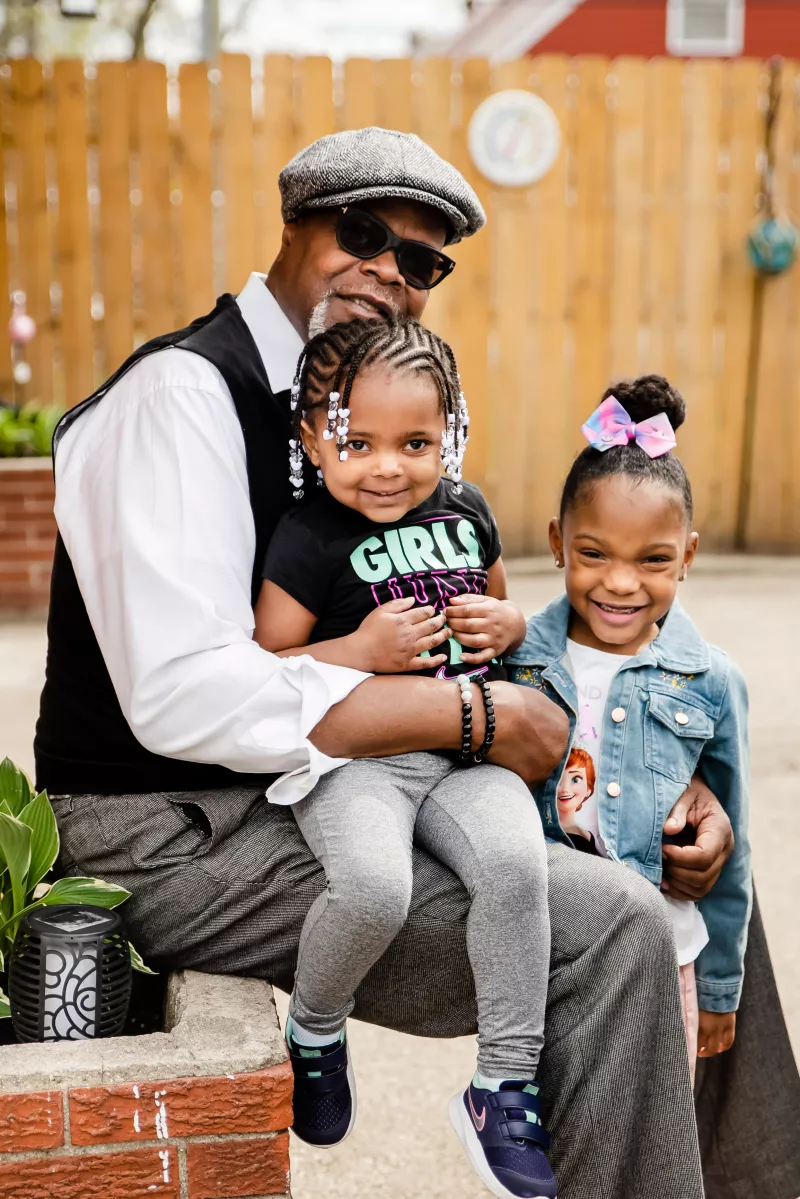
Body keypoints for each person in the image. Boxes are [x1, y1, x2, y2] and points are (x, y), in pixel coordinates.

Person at [34, 126, 758, 1199]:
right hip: (177, 828)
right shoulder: (184, 396)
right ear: (293, 227)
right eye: (361, 232)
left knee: (666, 876)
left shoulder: (376, 412)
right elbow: (179, 698)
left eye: (420, 260)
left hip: (320, 789)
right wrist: (461, 718)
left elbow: (515, 621)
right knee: (611, 927)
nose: (388, 270)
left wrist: (660, 773)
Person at [255, 314, 556, 1198]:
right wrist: (360, 648)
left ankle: (503, 1080)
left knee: (514, 864)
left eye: (417, 441)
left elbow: (503, 610)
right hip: (357, 764)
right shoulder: (306, 534)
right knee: (375, 890)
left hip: (467, 758)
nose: (389, 465)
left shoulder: (466, 511)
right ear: (314, 437)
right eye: (360, 442)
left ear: (451, 433)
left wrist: (512, 623)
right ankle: (314, 1028)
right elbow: (264, 665)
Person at [508, 376, 752, 1089]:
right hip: (546, 955)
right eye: (595, 554)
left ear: (688, 555)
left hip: (665, 956)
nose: (620, 583)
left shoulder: (711, 681)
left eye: (652, 559)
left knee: (647, 1125)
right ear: (558, 543)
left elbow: (730, 848)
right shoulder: (517, 660)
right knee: (543, 1130)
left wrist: (718, 987)